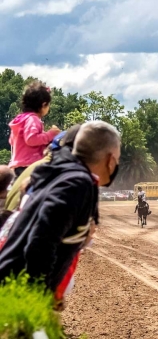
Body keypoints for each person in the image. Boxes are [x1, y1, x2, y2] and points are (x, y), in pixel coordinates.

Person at [0, 121, 120, 302]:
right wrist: (37, 299)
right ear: (110, 160)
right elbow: (41, 240)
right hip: (17, 296)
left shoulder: (60, 172)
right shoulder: (77, 183)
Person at [8, 81, 60, 179]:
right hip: (30, 164)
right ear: (44, 105)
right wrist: (50, 135)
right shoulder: (33, 119)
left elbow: (11, 141)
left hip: (18, 164)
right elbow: (31, 139)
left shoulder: (19, 120)